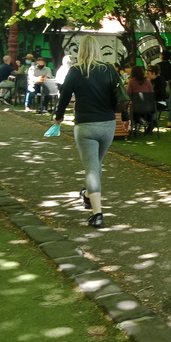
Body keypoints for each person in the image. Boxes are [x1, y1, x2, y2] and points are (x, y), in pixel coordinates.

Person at [54, 36, 121, 229]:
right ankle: (87, 194)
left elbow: (64, 95)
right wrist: (125, 117)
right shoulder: (109, 69)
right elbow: (120, 94)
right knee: (97, 163)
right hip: (108, 124)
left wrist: (59, 116)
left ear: (80, 50)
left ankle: (97, 213)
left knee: (91, 168)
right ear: (98, 49)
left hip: (85, 125)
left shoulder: (75, 71)